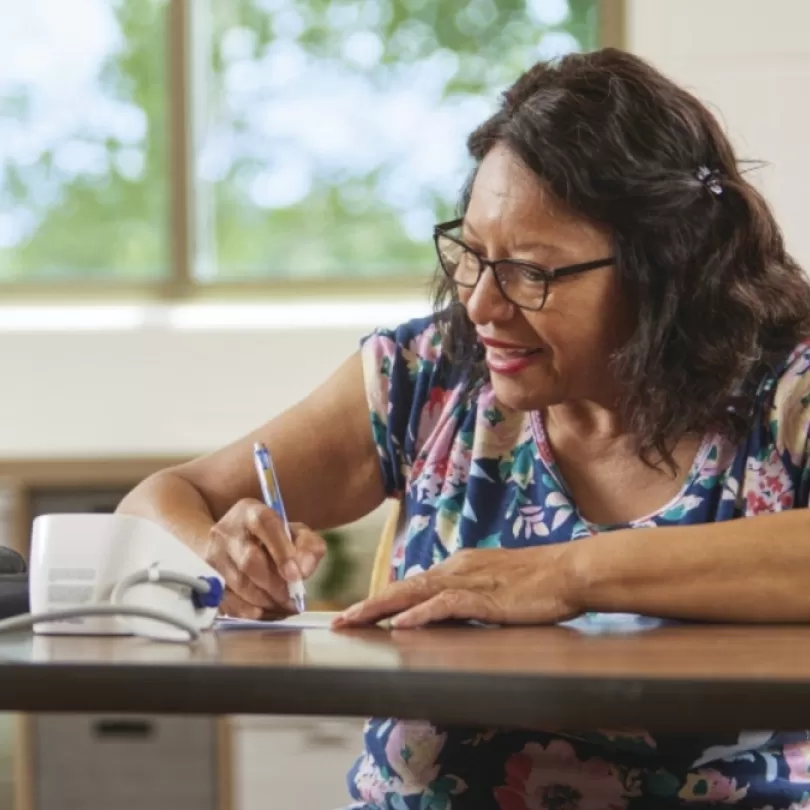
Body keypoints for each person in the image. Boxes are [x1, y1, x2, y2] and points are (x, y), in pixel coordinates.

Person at [118, 47, 810, 809]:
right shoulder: (427, 374)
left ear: (667, 267)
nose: (482, 304)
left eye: (529, 271)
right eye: (472, 255)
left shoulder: (787, 391)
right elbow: (156, 504)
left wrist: (566, 574)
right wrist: (221, 560)